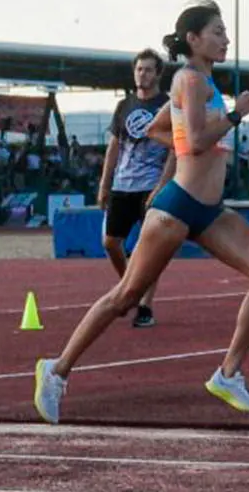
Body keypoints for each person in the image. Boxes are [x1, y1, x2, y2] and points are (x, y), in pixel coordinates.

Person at [33, 0, 249, 425]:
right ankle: (56, 370)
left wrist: (192, 138)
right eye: (217, 32)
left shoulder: (202, 82)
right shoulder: (189, 80)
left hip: (208, 210)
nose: (226, 39)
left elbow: (158, 130)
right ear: (193, 39)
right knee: (126, 296)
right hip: (176, 206)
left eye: (225, 32)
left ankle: (228, 374)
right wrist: (236, 115)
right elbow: (198, 140)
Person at [96, 48, 174, 328]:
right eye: (139, 69)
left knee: (149, 248)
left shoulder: (167, 105)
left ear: (158, 74)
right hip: (122, 184)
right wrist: (104, 184)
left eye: (148, 69)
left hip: (151, 185)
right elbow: (114, 146)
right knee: (110, 242)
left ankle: (144, 306)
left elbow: (175, 150)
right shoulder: (124, 106)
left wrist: (163, 186)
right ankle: (131, 287)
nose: (142, 74)